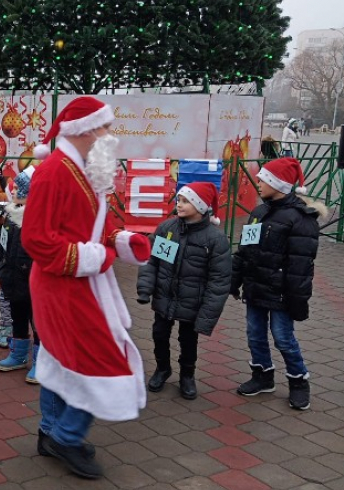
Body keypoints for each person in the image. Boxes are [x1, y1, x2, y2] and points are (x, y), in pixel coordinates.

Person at [21, 96, 151, 479]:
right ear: (87, 129)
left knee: (63, 359)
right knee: (98, 357)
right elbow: (36, 240)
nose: (111, 134)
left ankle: (51, 433)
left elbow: (94, 226)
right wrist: (95, 258)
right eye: (106, 126)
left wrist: (121, 240)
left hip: (80, 281)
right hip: (62, 284)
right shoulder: (53, 172)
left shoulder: (84, 170)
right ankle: (66, 436)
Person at [231, 157, 325, 411]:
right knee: (255, 335)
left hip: (282, 293)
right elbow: (245, 249)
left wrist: (298, 300)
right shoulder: (259, 212)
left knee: (283, 338)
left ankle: (298, 382)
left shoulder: (301, 219)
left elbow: (301, 266)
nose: (258, 182)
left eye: (264, 179)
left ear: (278, 183)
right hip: (255, 287)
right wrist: (234, 278)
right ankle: (262, 376)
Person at [136, 182, 232, 400]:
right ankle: (162, 369)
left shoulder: (215, 239)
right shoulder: (167, 230)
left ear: (200, 206)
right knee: (159, 333)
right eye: (178, 200)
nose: (179, 205)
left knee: (188, 340)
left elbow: (219, 281)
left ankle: (187, 375)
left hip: (192, 301)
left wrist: (207, 315)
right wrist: (145, 288)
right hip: (165, 297)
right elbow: (153, 261)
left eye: (186, 201)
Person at [0, 168, 41, 383]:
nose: (15, 193)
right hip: (12, 278)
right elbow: (0, 247)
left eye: (21, 190)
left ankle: (42, 362)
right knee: (18, 316)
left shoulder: (40, 219)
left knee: (39, 322)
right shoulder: (11, 217)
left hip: (34, 282)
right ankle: (19, 354)